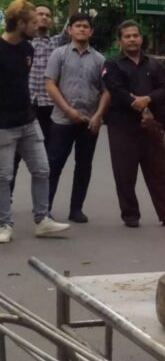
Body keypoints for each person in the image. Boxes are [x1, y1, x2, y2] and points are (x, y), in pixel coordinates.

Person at [0, 0, 71, 243]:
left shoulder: (28, 49)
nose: (37, 24)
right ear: (20, 23)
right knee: (4, 176)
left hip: (28, 122)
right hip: (3, 126)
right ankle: (4, 224)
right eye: (32, 21)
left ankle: (42, 220)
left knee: (42, 169)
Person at [102, 20, 165, 229]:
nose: (132, 39)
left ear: (141, 38)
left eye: (135, 35)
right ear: (120, 40)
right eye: (127, 36)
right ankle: (130, 215)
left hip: (151, 125)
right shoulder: (112, 65)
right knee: (125, 173)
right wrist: (139, 104)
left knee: (160, 172)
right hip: (122, 126)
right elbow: (115, 91)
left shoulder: (153, 64)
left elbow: (163, 89)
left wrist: (148, 100)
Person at [45, 13, 108, 223]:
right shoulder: (59, 54)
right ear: (70, 30)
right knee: (54, 165)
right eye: (78, 26)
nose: (82, 29)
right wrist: (67, 109)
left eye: (86, 26)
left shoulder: (100, 59)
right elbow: (50, 84)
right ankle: (44, 209)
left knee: (84, 166)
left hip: (88, 122)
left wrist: (99, 115)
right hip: (62, 121)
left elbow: (106, 90)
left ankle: (76, 209)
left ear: (91, 31)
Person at [21, 0, 79, 146]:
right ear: (32, 18)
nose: (44, 17)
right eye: (40, 14)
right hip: (26, 103)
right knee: (16, 153)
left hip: (49, 104)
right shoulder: (23, 42)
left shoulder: (56, 42)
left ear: (51, 20)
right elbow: (15, 14)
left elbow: (72, 22)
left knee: (46, 152)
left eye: (47, 15)